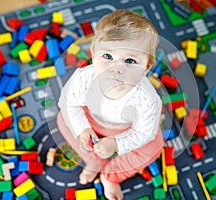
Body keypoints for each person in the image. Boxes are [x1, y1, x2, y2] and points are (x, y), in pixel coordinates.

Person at [57, 9, 163, 200]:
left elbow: (144, 133)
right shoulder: (83, 79)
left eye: (130, 60)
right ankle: (93, 161)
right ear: (93, 54)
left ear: (146, 68)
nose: (116, 69)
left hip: (126, 130)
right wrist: (82, 129)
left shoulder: (147, 99)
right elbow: (68, 104)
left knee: (154, 146)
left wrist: (117, 144)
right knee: (63, 120)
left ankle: (111, 176)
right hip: (92, 120)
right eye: (107, 56)